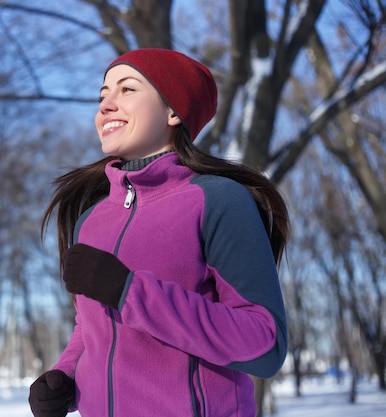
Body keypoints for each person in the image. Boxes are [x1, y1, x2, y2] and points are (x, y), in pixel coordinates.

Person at [28, 48, 289, 417]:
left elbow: (265, 344)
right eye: (102, 95)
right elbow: (91, 329)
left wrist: (130, 291)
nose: (105, 106)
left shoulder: (216, 200)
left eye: (127, 90)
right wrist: (64, 376)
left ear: (172, 112)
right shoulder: (92, 220)